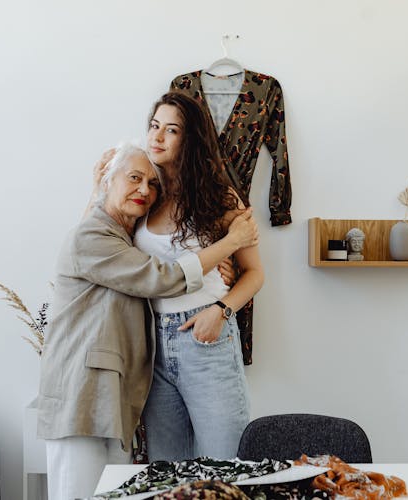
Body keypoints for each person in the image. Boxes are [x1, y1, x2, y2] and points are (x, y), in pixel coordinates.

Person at [36, 142, 259, 500]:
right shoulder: (92, 236)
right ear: (109, 181)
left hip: (114, 399)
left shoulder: (124, 238)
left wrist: (220, 291)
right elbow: (160, 276)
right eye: (135, 178)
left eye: (153, 184)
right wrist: (230, 243)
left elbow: (165, 256)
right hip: (83, 398)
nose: (145, 189)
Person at [138, 91, 265, 461]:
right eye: (154, 126)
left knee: (225, 466)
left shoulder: (220, 198)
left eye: (171, 130)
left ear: (190, 139)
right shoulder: (145, 193)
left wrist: (221, 311)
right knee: (167, 471)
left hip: (205, 340)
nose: (157, 137)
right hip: (151, 345)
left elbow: (255, 274)